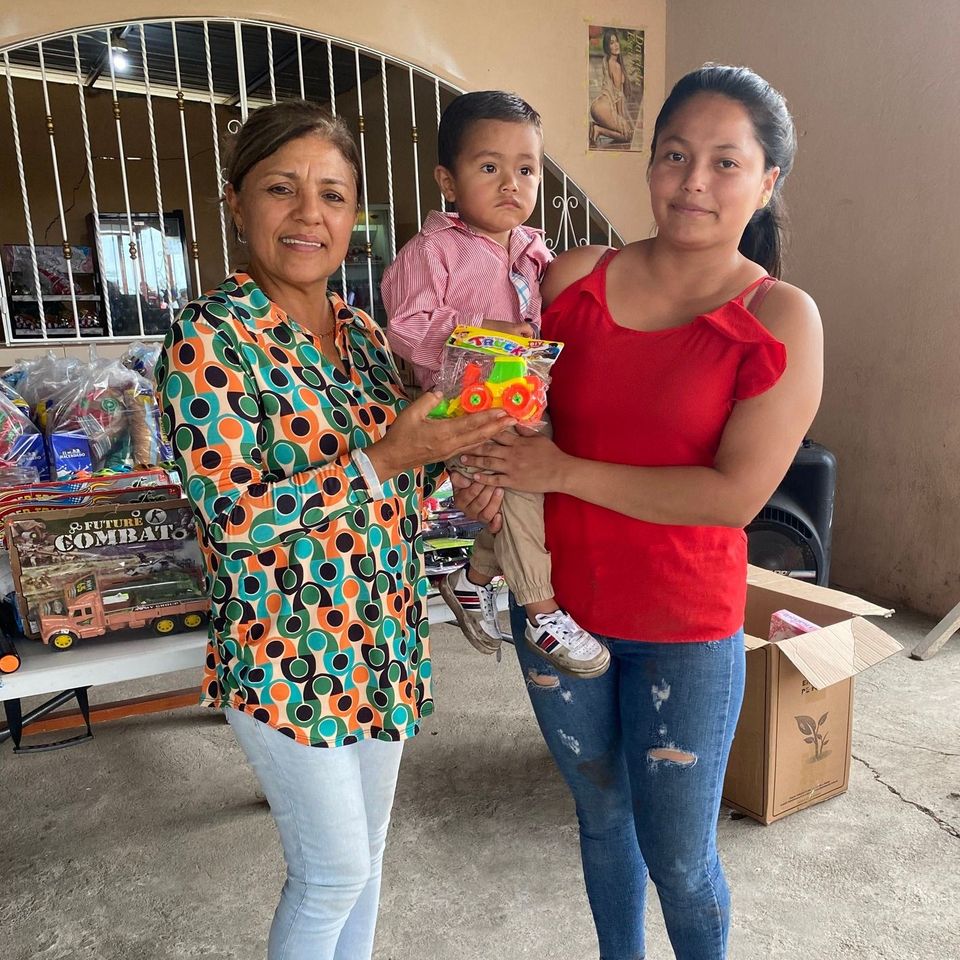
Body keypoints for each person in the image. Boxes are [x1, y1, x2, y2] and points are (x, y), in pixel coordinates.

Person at [453, 65, 823, 960]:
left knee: (681, 860)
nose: (694, 181)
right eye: (675, 155)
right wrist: (482, 474)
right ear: (651, 164)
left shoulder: (780, 316)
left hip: (683, 629)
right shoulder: (574, 278)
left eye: (726, 162)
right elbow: (507, 411)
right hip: (557, 612)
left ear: (767, 181)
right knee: (600, 818)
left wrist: (564, 471)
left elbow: (732, 497)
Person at [156, 100, 509, 960]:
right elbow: (233, 517)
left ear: (354, 216)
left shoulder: (362, 335)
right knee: (330, 875)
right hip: (287, 652)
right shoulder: (211, 338)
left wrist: (459, 460)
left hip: (382, 636)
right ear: (236, 202)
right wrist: (390, 457)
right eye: (282, 188)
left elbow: (398, 481)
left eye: (333, 195)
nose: (308, 214)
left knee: (367, 862)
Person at [382, 90, 609, 679]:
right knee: (520, 496)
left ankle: (474, 576)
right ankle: (539, 610)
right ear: (448, 182)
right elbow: (406, 326)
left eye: (526, 169)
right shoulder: (434, 250)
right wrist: (482, 331)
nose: (511, 183)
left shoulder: (534, 251)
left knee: (528, 496)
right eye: (489, 167)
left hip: (524, 402)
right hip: (465, 409)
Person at [589, 29, 634, 146]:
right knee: (628, 135)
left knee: (625, 130)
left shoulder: (606, 60)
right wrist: (620, 118)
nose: (616, 45)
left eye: (616, 41)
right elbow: (618, 95)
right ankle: (599, 130)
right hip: (604, 108)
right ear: (607, 47)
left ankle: (597, 127)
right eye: (611, 43)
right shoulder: (615, 66)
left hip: (598, 105)